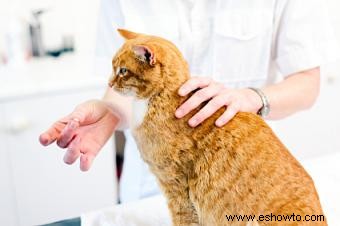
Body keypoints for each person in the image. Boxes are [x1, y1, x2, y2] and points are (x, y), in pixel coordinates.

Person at [40, 0, 338, 205]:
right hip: (152, 188)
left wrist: (251, 98)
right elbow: (126, 87)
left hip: (240, 181)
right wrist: (108, 113)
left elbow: (307, 82)